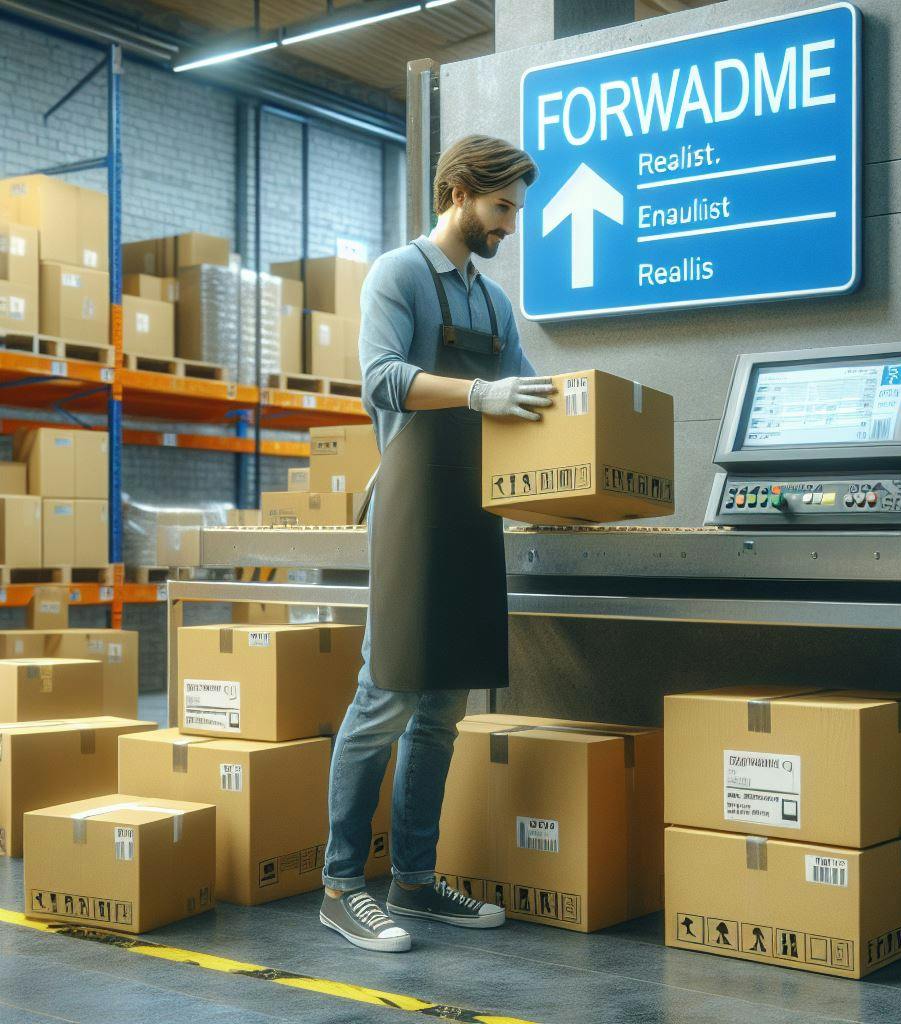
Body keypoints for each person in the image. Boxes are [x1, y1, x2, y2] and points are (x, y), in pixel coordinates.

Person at [319, 135, 555, 952]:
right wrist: (480, 391)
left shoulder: (493, 304)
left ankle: (414, 881)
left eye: (517, 210)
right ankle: (343, 884)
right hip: (412, 508)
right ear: (458, 193)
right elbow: (380, 377)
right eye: (502, 208)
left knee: (444, 705)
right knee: (386, 691)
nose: (511, 225)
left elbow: (532, 398)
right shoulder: (399, 274)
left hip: (472, 515)